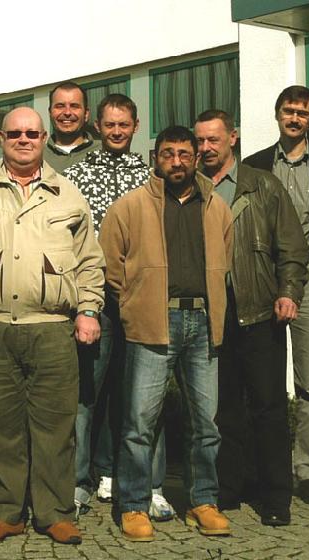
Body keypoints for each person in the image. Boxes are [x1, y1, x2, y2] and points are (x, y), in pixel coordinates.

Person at [0, 107, 105, 545]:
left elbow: (90, 260)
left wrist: (89, 310)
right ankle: (5, 513)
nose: (24, 140)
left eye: (32, 133)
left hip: (52, 327)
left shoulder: (67, 193)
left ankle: (54, 513)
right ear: (1, 138)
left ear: (44, 138)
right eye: (15, 134)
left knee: (56, 426)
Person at [99, 125, 233, 541]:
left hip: (203, 322)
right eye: (168, 154)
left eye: (184, 154)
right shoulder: (130, 206)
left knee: (206, 423)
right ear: (155, 158)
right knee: (139, 422)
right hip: (153, 323)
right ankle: (134, 505)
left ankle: (202, 502)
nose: (177, 161)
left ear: (195, 158)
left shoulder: (216, 206)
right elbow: (110, 263)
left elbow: (226, 259)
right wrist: (134, 301)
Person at [195, 109, 309, 526]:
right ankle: (229, 487)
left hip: (260, 311)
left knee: (269, 407)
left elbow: (292, 248)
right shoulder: (191, 188)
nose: (206, 148)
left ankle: (276, 497)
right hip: (212, 314)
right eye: (200, 140)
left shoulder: (263, 185)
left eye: (213, 139)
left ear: (233, 138)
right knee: (223, 408)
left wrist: (288, 292)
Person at [63, 93, 173, 521]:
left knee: (142, 395)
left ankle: (145, 483)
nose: (116, 131)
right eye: (109, 124)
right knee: (86, 392)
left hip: (140, 298)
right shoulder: (77, 175)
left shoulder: (150, 178)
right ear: (98, 126)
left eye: (123, 125)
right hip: (94, 297)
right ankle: (77, 480)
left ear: (135, 126)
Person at [245, 86, 309, 507]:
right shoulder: (254, 165)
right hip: (263, 276)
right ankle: (263, 469)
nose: (294, 118)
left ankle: (308, 472)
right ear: (277, 114)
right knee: (260, 379)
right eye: (288, 110)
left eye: (303, 113)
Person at [43, 81, 101, 173]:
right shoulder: (37, 156)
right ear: (50, 113)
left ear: (86, 114)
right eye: (60, 106)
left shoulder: (104, 151)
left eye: (74, 106)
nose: (67, 112)